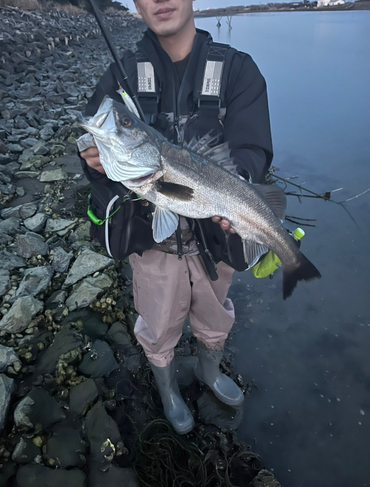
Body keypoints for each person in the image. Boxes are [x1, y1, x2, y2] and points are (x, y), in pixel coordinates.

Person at [79, 0, 273, 434]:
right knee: (158, 318)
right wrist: (93, 160)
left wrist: (236, 186)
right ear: (134, 4)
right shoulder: (119, 75)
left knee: (214, 311)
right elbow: (96, 140)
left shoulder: (239, 71)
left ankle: (209, 370)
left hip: (215, 239)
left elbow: (253, 148)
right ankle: (167, 387)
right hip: (151, 242)